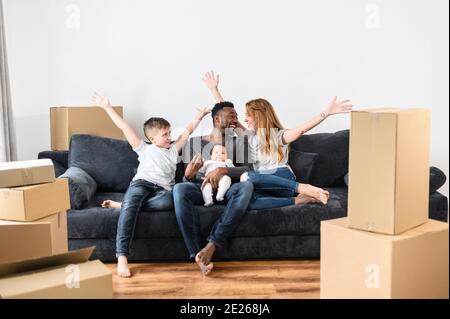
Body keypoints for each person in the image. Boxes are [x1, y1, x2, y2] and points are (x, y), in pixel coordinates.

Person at [91, 93, 211, 278]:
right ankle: (122, 255)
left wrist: (199, 117)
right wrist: (107, 107)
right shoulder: (144, 148)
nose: (169, 137)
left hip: (163, 192)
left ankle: (125, 205)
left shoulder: (173, 149)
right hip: (142, 184)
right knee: (132, 206)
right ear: (152, 139)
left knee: (168, 202)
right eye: (165, 134)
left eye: (169, 133)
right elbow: (124, 127)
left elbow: (188, 130)